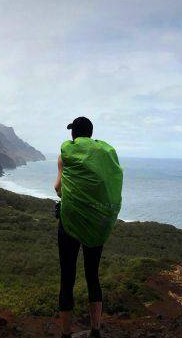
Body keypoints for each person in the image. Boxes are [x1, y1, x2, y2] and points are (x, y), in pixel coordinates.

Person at [53, 116, 124, 338]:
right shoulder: (103, 157)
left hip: (70, 222)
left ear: (74, 134)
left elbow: (58, 188)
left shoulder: (65, 156)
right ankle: (95, 330)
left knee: (68, 277)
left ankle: (66, 333)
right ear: (91, 135)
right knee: (92, 276)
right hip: (96, 223)